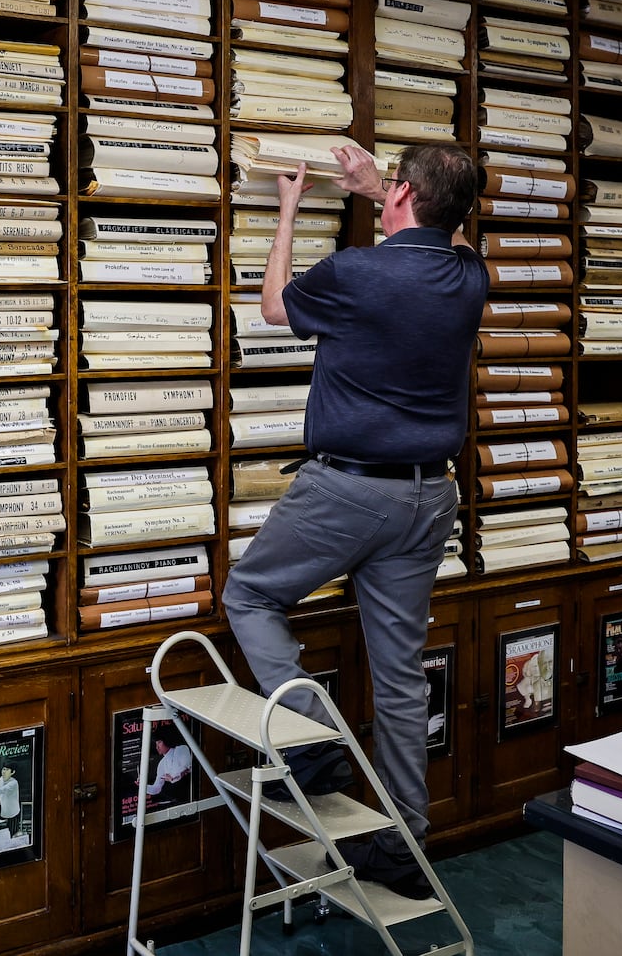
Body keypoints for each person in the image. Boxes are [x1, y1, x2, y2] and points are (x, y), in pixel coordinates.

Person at [222, 141, 486, 900]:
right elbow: (455, 228)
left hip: (346, 492)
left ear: (402, 194)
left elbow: (274, 307)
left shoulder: (355, 271)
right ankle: (405, 843)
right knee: (401, 675)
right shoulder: (469, 278)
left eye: (391, 187)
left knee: (249, 594)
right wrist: (386, 191)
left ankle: (313, 745)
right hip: (428, 496)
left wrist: (289, 211)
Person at [143, 726, 193, 803]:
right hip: (175, 800)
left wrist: (172, 778)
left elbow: (184, 769)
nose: (157, 747)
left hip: (191, 794)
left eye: (159, 742)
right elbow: (156, 788)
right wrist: (143, 786)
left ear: (166, 740)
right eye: (156, 743)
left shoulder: (181, 749)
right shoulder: (162, 764)